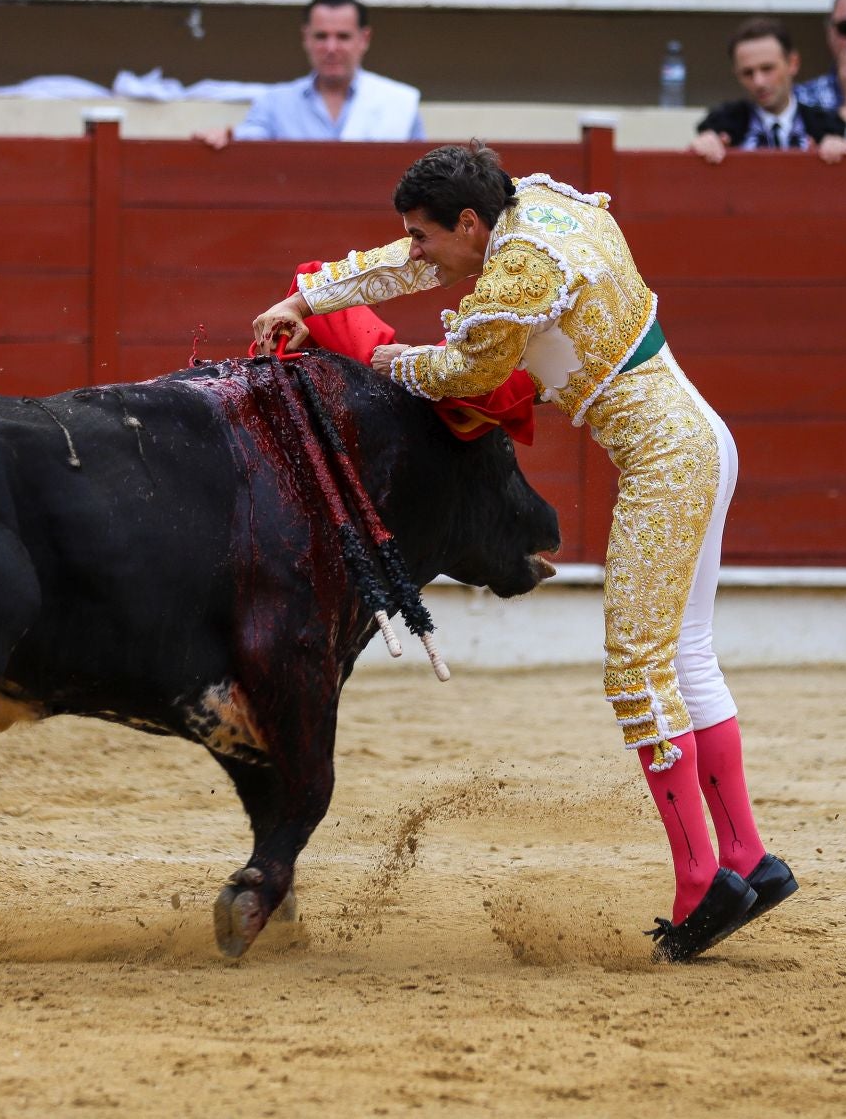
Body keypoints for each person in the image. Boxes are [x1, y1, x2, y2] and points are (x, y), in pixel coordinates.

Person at [248, 143, 797, 963]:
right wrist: (306, 296)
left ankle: (701, 884)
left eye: (427, 233)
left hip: (665, 460)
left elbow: (467, 371)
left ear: (470, 223)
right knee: (687, 654)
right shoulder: (536, 205)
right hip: (704, 438)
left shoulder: (519, 273)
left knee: (639, 671)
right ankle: (747, 856)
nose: (420, 250)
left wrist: (387, 358)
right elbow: (407, 265)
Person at [194, 0, 424, 149]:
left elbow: (422, 182)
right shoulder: (274, 104)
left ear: (364, 39)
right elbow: (245, 146)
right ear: (306, 38)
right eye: (321, 36)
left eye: (343, 37)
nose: (331, 48)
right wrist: (223, 139)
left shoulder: (400, 102)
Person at [690, 18, 846, 164]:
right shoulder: (720, 126)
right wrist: (705, 146)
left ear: (793, 63)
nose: (759, 82)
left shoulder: (828, 127)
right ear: (736, 74)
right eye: (747, 73)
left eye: (767, 69)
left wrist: (840, 149)